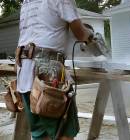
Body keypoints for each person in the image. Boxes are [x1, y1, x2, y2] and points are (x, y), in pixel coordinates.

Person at [15, 0, 93, 139]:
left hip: (24, 74)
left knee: (40, 134)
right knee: (64, 134)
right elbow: (81, 34)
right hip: (47, 76)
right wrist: (90, 35)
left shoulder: (27, 2)